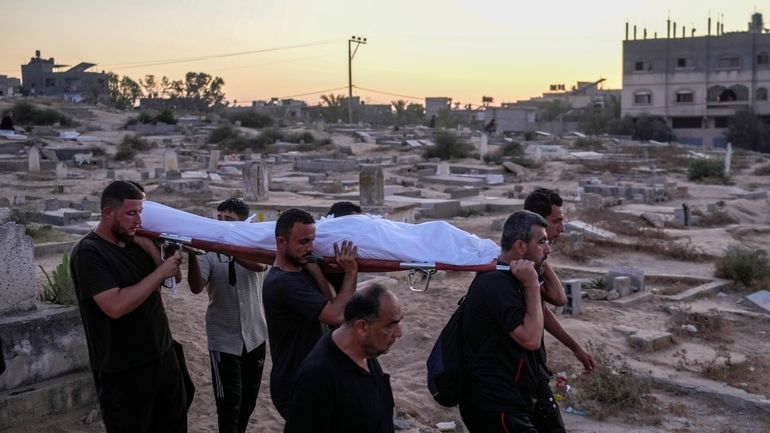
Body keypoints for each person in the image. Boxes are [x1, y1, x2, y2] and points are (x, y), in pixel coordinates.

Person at [69, 180, 188, 433]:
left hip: (163, 356)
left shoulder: (137, 242)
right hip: (123, 371)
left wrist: (149, 248)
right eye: (131, 213)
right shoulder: (89, 253)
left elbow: (172, 279)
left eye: (140, 213)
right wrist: (160, 273)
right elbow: (115, 305)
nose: (138, 221)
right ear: (108, 213)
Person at [458, 210, 551, 433]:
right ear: (520, 246)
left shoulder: (512, 276)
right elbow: (531, 339)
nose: (548, 249)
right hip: (496, 403)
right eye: (542, 242)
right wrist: (531, 286)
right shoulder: (497, 285)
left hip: (518, 396)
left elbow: (558, 297)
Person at [262, 208, 359, 418]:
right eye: (303, 242)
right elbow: (336, 315)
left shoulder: (299, 271)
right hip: (295, 383)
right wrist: (351, 272)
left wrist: (316, 271)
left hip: (312, 377)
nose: (310, 247)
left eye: (312, 241)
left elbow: (330, 301)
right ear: (281, 242)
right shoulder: (283, 283)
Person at [187, 198, 269, 433]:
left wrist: (229, 250)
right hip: (223, 340)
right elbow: (195, 286)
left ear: (242, 223)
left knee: (249, 401)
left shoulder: (255, 245)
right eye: (219, 218)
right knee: (228, 403)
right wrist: (193, 255)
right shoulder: (208, 251)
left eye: (229, 219)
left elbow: (260, 266)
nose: (222, 223)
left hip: (255, 336)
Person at [523, 188, 596, 432]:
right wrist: (542, 256)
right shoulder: (520, 264)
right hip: (515, 368)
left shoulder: (530, 260)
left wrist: (575, 347)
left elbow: (543, 309)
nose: (562, 229)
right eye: (557, 221)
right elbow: (558, 298)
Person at [284, 283, 402, 433]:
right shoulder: (319, 376)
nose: (399, 333)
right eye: (391, 325)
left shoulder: (366, 351)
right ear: (362, 328)